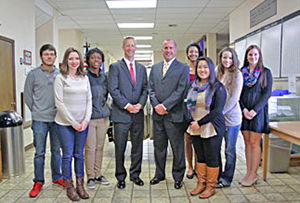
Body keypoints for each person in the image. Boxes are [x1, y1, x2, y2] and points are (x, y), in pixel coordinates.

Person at [24, 44, 65, 198]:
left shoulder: (60, 74)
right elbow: (28, 96)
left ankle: (57, 177)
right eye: (46, 54)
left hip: (57, 119)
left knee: (56, 151)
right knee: (39, 152)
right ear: (41, 56)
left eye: (52, 54)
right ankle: (38, 181)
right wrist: (36, 111)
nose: (49, 56)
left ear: (55, 57)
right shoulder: (33, 74)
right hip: (39, 119)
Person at [108, 36, 148, 189]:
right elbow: (113, 89)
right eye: (128, 46)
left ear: (136, 48)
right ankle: (120, 177)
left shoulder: (142, 69)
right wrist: (126, 105)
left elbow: (145, 88)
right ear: (123, 48)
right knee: (120, 147)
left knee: (138, 146)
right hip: (121, 115)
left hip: (137, 114)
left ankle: (135, 174)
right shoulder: (115, 67)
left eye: (133, 45)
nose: (130, 48)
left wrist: (140, 104)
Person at [148, 39, 188, 189]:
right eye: (165, 48)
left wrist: (165, 106)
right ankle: (159, 174)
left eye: (171, 48)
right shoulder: (155, 68)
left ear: (175, 50)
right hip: (158, 116)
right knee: (159, 147)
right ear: (162, 50)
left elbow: (181, 90)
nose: (168, 50)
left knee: (177, 148)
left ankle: (178, 177)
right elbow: (150, 89)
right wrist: (156, 105)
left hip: (174, 116)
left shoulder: (183, 68)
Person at [185, 57, 227, 199]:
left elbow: (217, 111)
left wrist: (200, 123)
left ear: (210, 69)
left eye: (205, 67)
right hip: (195, 127)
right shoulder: (192, 86)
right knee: (200, 156)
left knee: (212, 157)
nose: (202, 70)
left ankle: (211, 186)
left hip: (211, 127)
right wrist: (191, 122)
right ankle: (201, 183)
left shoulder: (218, 87)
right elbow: (187, 105)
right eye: (199, 67)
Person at [54, 47, 92, 201]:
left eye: (76, 58)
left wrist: (85, 120)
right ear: (65, 61)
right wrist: (73, 122)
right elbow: (59, 103)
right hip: (64, 124)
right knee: (67, 156)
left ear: (80, 61)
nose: (74, 61)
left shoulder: (84, 78)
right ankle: (69, 187)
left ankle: (80, 185)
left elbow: (89, 100)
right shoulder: (60, 78)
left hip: (82, 124)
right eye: (71, 58)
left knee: (79, 155)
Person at [239, 45, 272, 187]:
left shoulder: (265, 72)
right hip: (244, 111)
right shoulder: (241, 72)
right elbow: (238, 94)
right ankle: (248, 172)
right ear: (246, 56)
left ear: (259, 57)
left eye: (256, 55)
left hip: (257, 112)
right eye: (250, 55)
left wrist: (255, 110)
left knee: (254, 142)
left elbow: (267, 94)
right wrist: (244, 109)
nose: (253, 57)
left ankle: (254, 174)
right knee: (246, 143)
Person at [215, 47, 243, 188]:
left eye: (230, 58)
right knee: (216, 148)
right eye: (224, 57)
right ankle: (218, 176)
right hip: (218, 118)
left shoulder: (237, 74)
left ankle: (227, 178)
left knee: (229, 150)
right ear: (220, 58)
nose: (227, 60)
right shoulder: (217, 71)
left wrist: (219, 112)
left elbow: (234, 99)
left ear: (234, 59)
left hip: (232, 118)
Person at [84, 48, 110, 189]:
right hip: (89, 118)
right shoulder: (84, 76)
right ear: (88, 60)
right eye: (93, 58)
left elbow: (106, 95)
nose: (96, 60)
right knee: (90, 147)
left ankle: (98, 173)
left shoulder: (104, 77)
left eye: (99, 58)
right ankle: (90, 176)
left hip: (103, 117)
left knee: (100, 147)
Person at [185, 43, 203, 179]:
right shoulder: (184, 69)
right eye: (191, 52)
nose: (193, 54)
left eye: (196, 52)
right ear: (187, 54)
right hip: (187, 108)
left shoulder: (203, 68)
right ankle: (190, 167)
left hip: (200, 108)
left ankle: (198, 166)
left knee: (198, 138)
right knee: (188, 139)